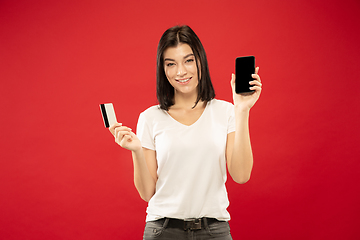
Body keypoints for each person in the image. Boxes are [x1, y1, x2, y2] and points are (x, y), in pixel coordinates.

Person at [109, 25, 262, 240]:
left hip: (214, 230)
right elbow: (146, 193)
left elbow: (242, 175)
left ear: (201, 61)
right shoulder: (150, 117)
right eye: (171, 64)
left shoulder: (226, 111)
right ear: (163, 69)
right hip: (163, 230)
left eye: (188, 60)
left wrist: (242, 110)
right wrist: (136, 151)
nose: (181, 71)